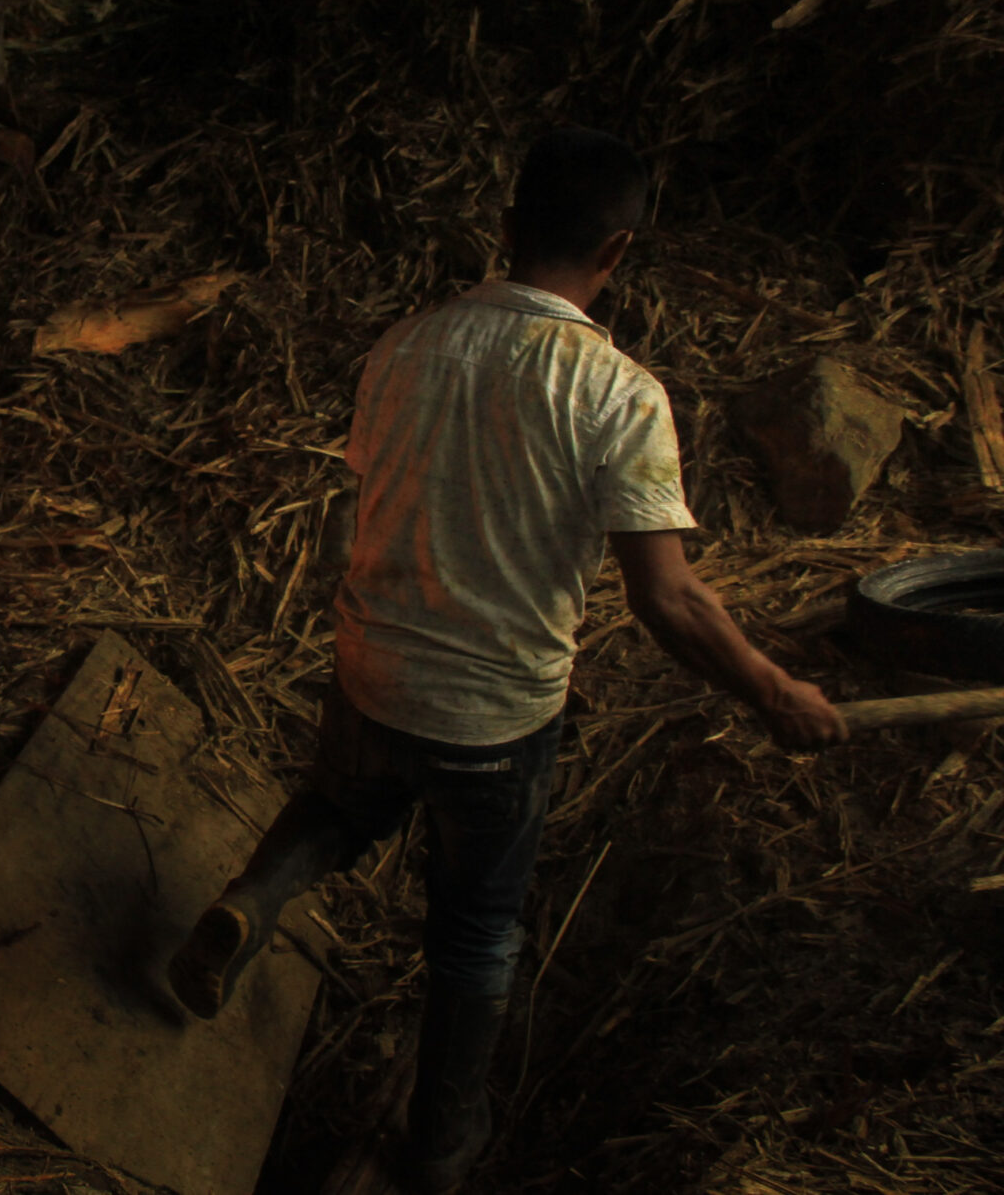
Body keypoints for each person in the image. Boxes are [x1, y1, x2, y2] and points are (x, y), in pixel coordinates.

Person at [165, 128, 847, 1195]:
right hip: (493, 721)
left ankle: (250, 902)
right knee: (476, 929)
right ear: (616, 252)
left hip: (370, 668)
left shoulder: (405, 344)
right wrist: (772, 690)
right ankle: (440, 1141)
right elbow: (665, 598)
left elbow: (370, 501)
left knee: (340, 809)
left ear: (504, 225)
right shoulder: (616, 395)